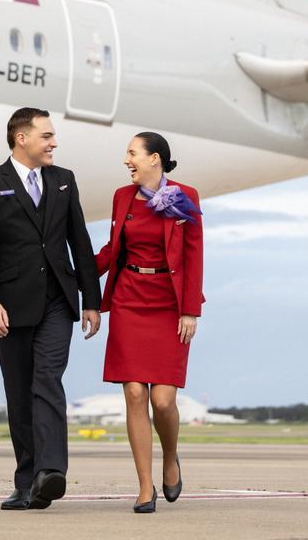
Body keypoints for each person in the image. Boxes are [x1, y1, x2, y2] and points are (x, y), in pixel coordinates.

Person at [0, 107, 101, 511]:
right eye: (46, 136)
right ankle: (27, 482)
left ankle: (51, 472)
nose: (53, 142)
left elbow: (80, 240)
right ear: (21, 138)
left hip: (59, 298)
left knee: (47, 379)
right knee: (19, 393)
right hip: (10, 305)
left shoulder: (64, 181)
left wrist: (92, 301)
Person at [95, 132, 204, 513]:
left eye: (132, 153)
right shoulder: (122, 197)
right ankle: (144, 487)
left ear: (154, 158)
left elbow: (194, 255)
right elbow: (112, 250)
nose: (127, 160)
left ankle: (170, 457)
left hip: (169, 304)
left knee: (162, 398)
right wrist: (74, 273)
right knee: (135, 394)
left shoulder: (185, 196)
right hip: (129, 299)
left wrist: (190, 310)